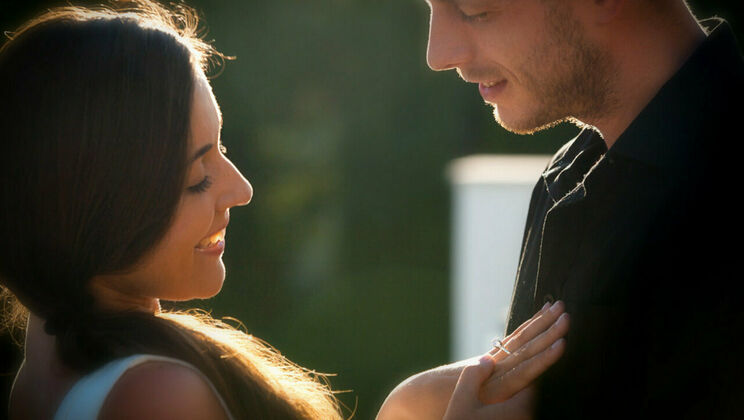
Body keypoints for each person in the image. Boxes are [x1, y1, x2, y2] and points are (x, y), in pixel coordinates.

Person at [0, 1, 570, 418]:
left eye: (222, 149)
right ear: (99, 205)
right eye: (198, 177)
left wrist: (414, 403)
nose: (241, 189)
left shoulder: (47, 363)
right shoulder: (156, 396)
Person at [394, 0, 744, 418]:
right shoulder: (570, 174)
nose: (438, 55)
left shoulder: (718, 207)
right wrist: (411, 400)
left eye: (475, 11)